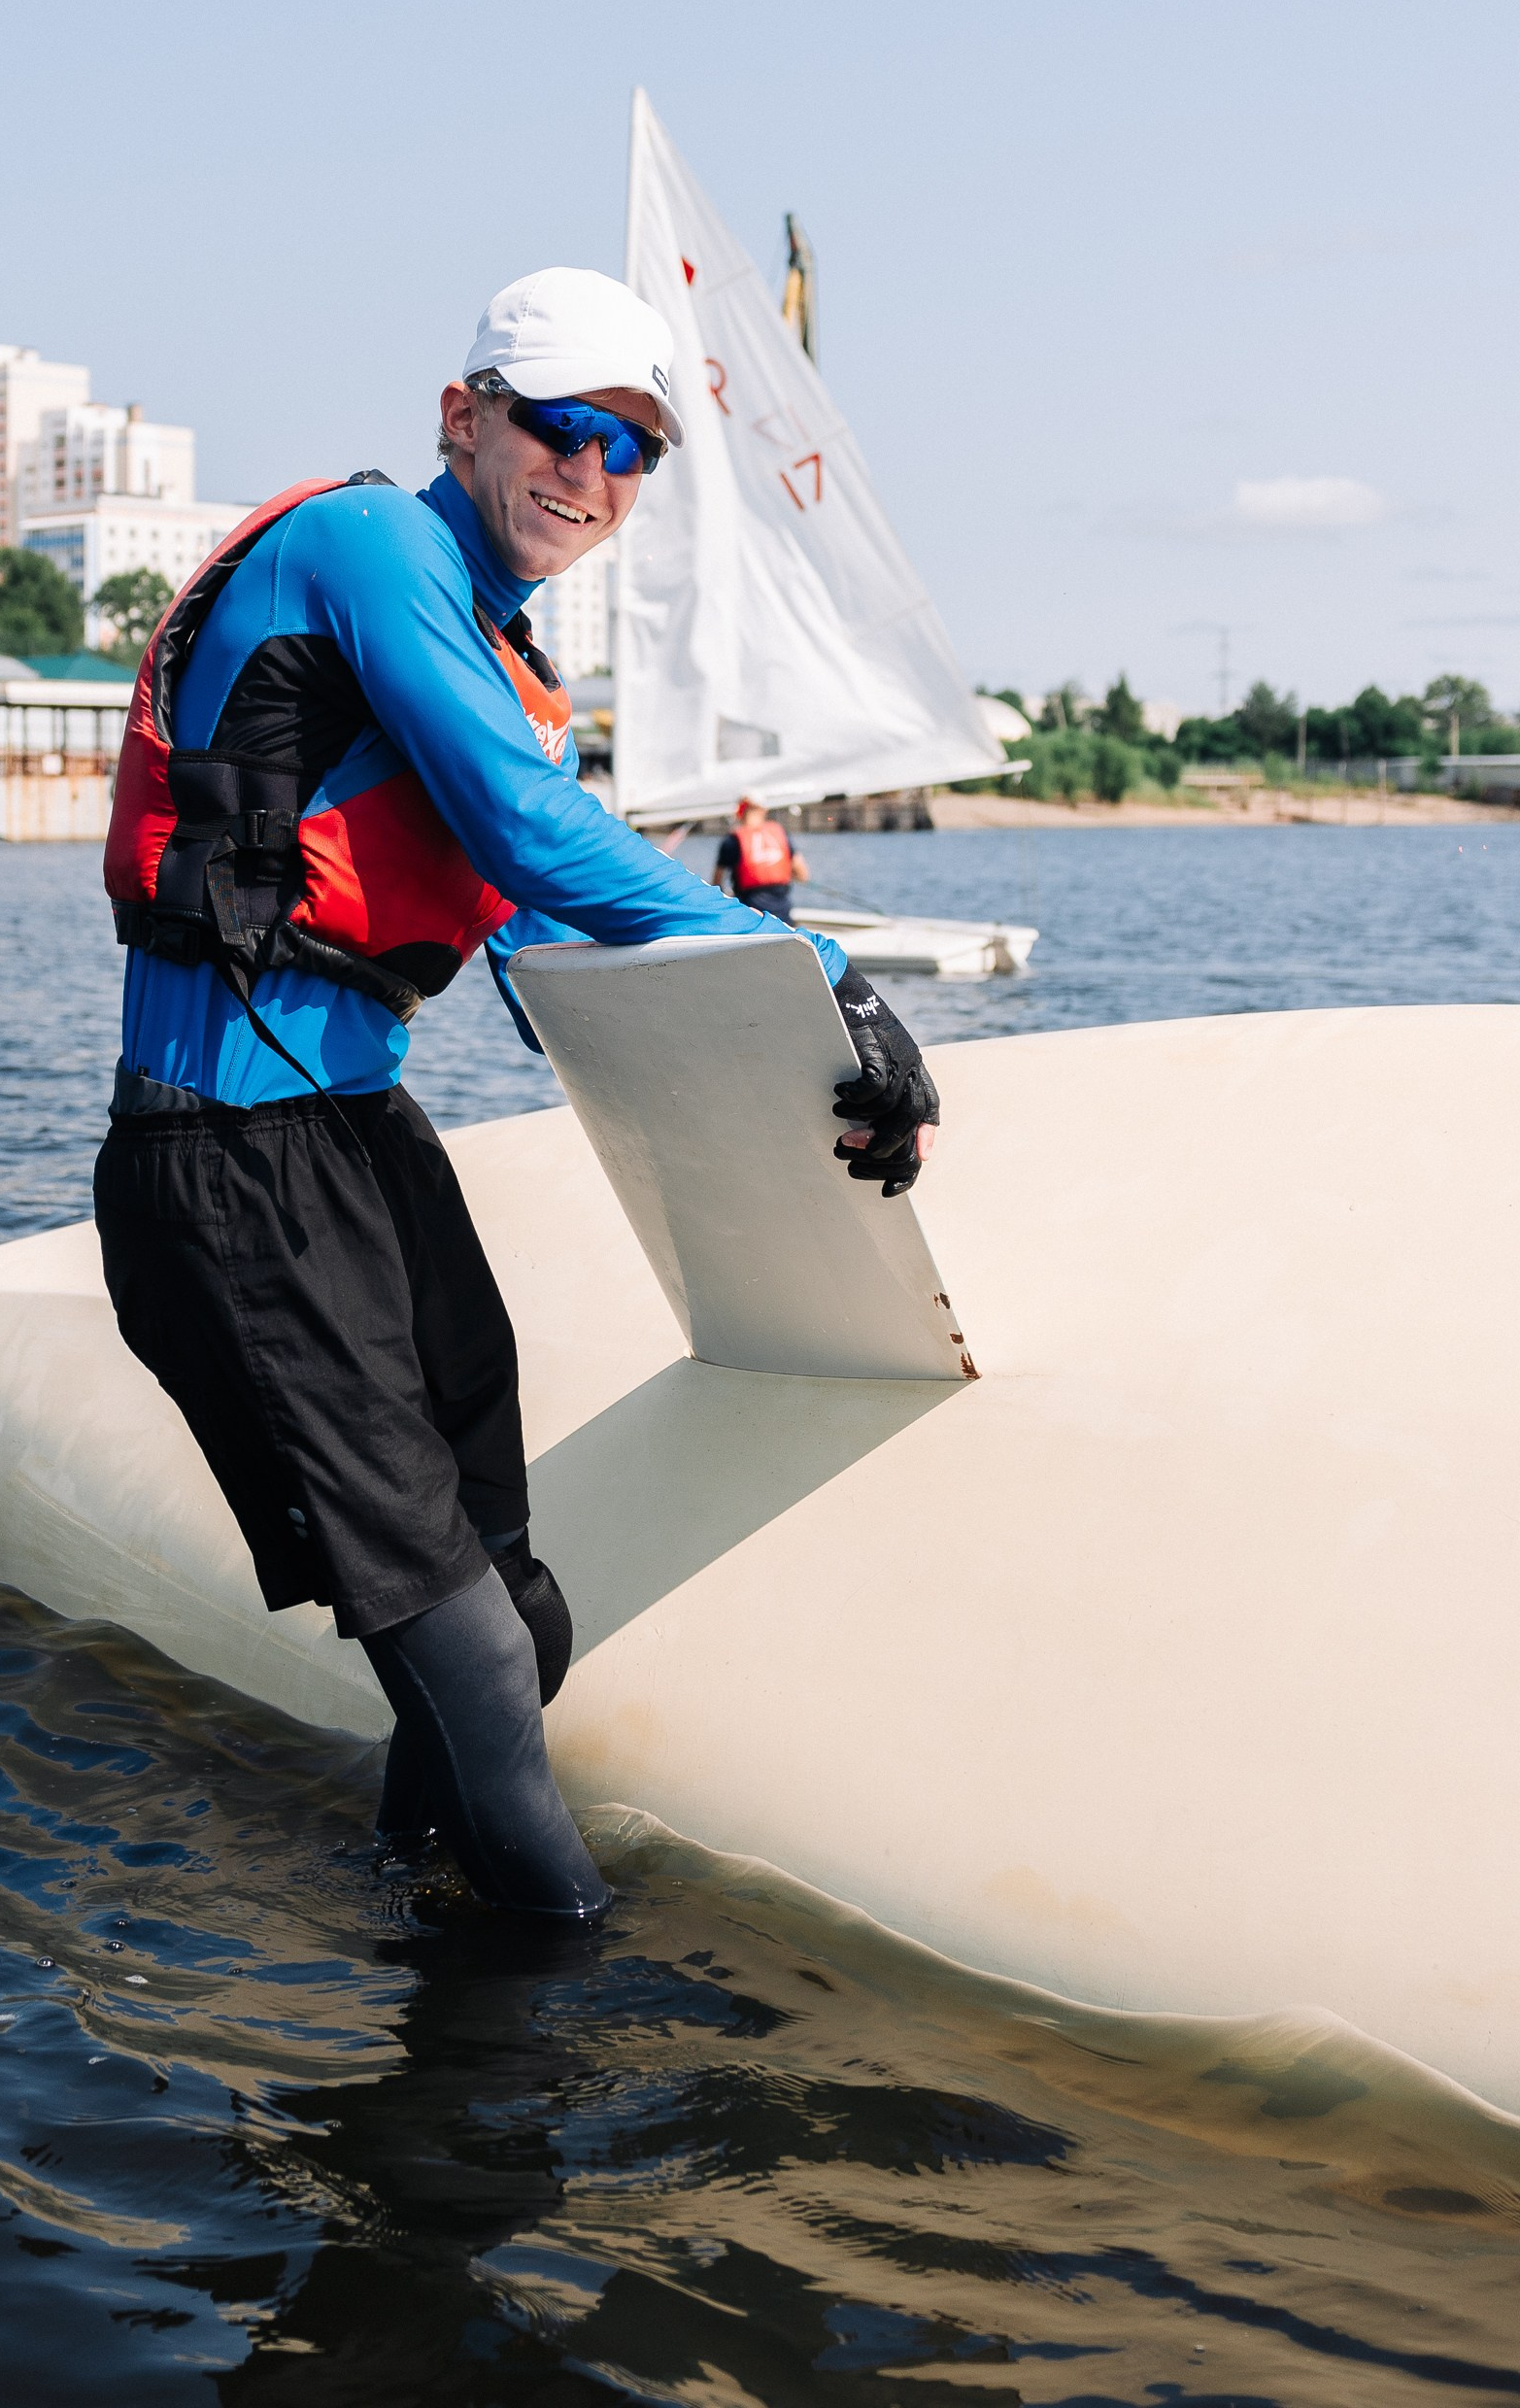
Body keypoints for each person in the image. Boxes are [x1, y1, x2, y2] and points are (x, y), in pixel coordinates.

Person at [93, 266, 940, 1926]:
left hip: (356, 1143)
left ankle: (416, 1915)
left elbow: (565, 953)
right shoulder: (367, 550)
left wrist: (817, 1073)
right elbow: (535, 838)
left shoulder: (491, 652)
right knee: (472, 1651)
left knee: (519, 1617)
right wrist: (828, 965)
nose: (595, 477)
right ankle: (560, 2010)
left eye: (636, 455)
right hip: (225, 1153)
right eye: (563, 428)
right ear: (464, 417)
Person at [714, 796, 809, 920]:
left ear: (739, 812)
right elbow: (803, 875)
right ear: (764, 811)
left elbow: (717, 884)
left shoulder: (732, 841)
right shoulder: (780, 833)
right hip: (782, 916)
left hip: (752, 917)